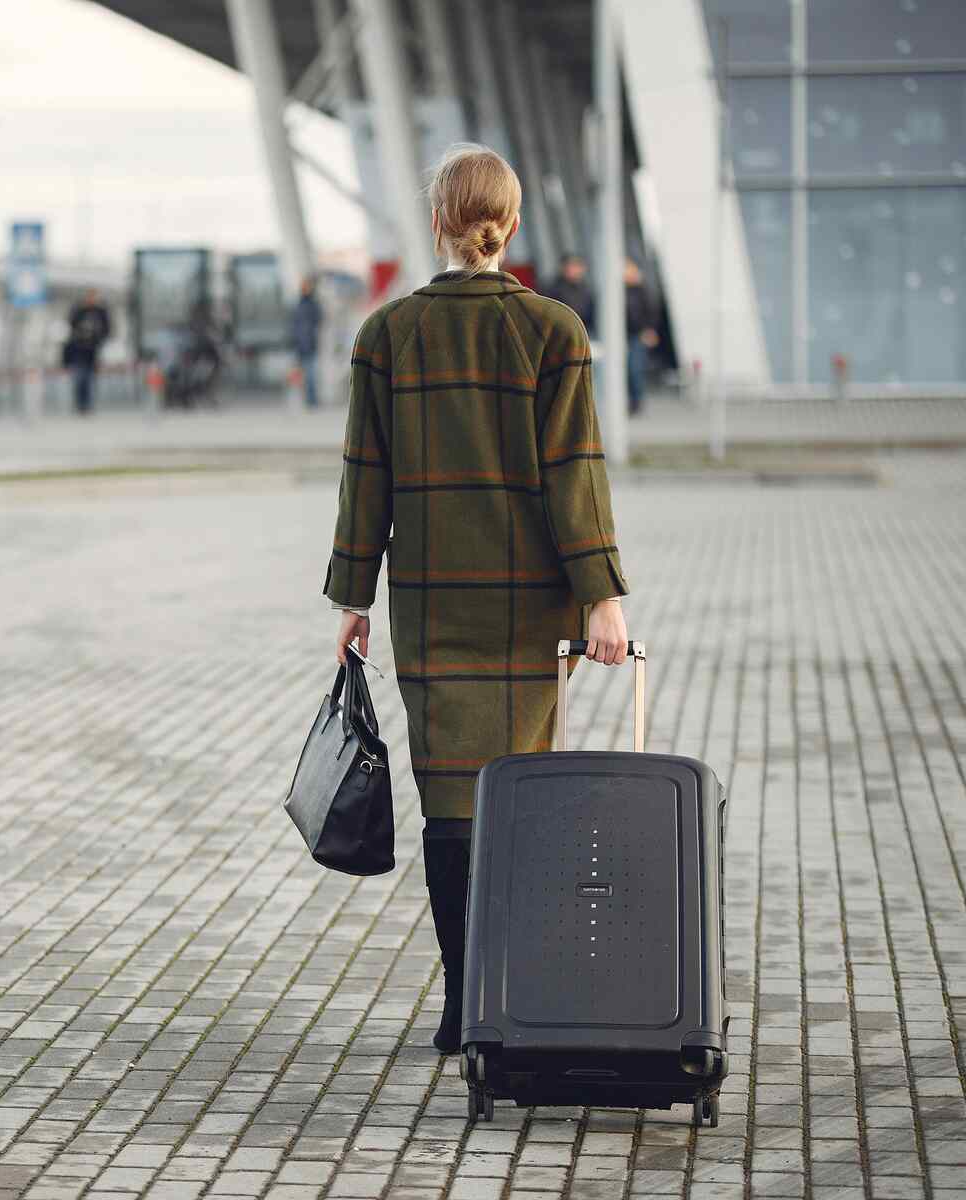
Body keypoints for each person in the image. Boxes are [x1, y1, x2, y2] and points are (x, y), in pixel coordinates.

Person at [325, 143, 630, 1055]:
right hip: (531, 605)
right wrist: (603, 598)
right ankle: (510, 997)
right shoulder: (554, 330)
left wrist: (354, 596)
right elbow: (576, 476)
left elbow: (363, 480)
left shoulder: (387, 333)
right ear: (513, 222)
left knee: (450, 805)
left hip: (430, 603)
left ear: (437, 223)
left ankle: (464, 1001)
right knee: (520, 796)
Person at [63, 289, 111, 415]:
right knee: (80, 377)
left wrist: (99, 339)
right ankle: (80, 404)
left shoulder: (100, 311)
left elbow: (107, 328)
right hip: (79, 349)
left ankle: (88, 404)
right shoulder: (79, 310)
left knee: (90, 378)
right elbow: (71, 323)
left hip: (93, 350)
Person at [624, 259, 660, 416]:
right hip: (621, 336)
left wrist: (649, 330)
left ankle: (636, 401)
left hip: (638, 335)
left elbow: (652, 312)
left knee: (635, 369)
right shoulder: (618, 291)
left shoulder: (643, 291)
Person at [289, 276, 324, 410]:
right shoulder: (298, 304)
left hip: (310, 344)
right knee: (302, 375)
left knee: (310, 374)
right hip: (299, 344)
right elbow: (293, 324)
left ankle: (311, 400)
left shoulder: (313, 304)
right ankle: (305, 400)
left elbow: (318, 321)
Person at [542, 253, 594, 331]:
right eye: (571, 266)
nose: (574, 270)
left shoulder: (586, 290)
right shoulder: (553, 289)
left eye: (577, 266)